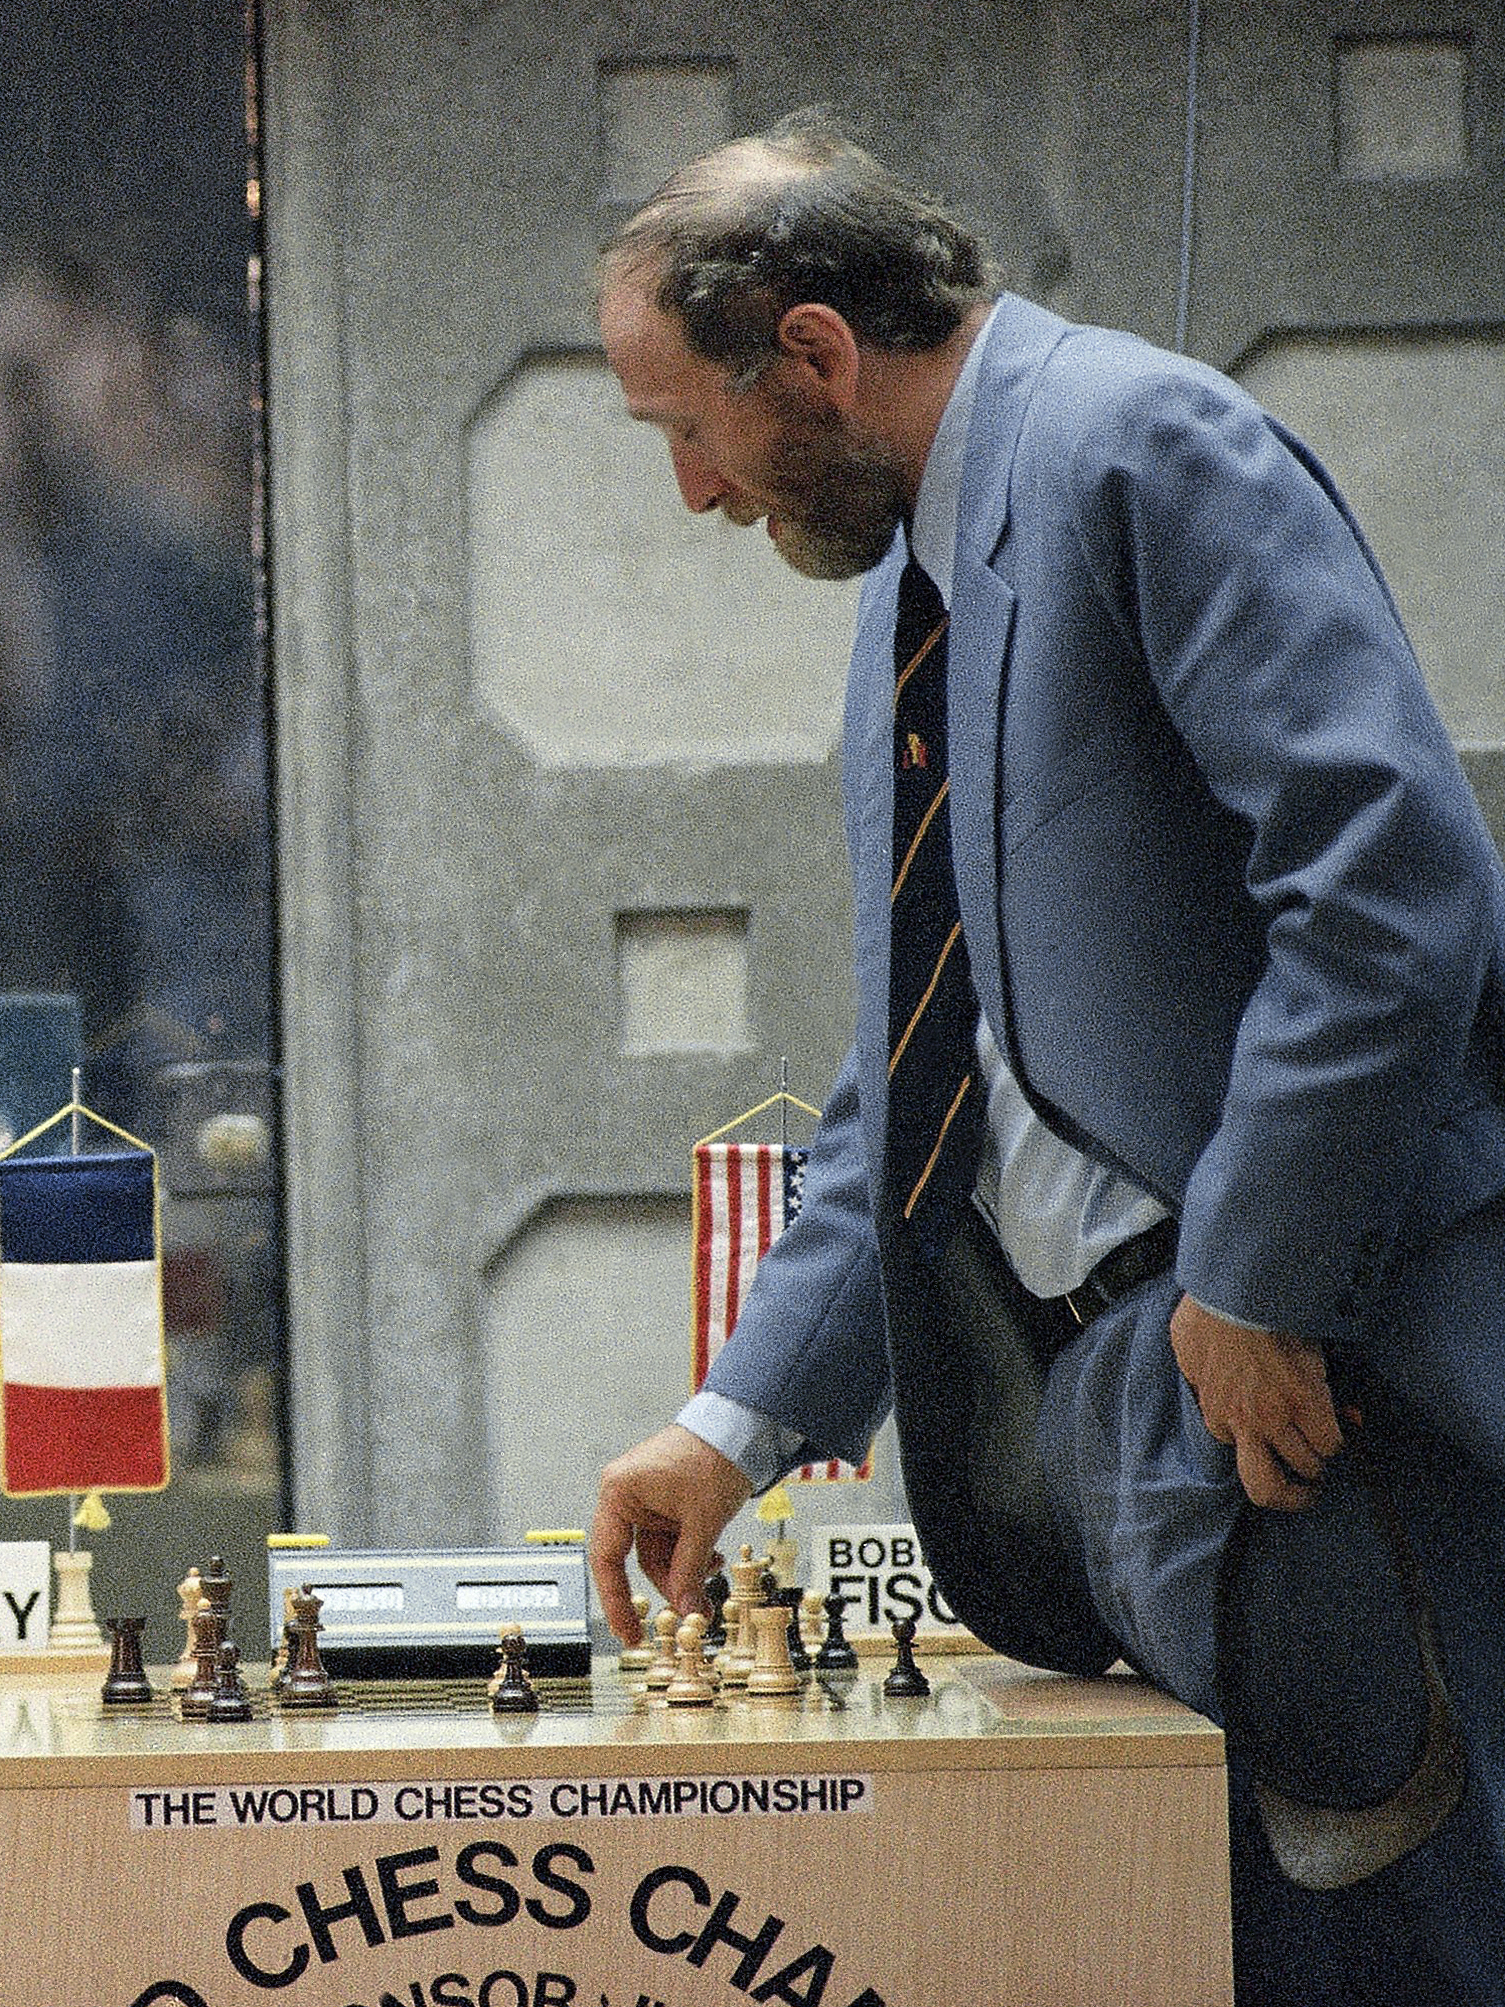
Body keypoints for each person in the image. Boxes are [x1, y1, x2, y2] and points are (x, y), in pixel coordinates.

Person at [581, 114, 1505, 2002]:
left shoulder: (1140, 448)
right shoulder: (909, 597)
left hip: (1335, 1402)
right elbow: (926, 1078)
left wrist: (1255, 1271)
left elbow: (1396, 893)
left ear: (818, 349)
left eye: (687, 424)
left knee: (1395, 1953)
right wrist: (733, 1422)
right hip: (1157, 1444)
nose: (690, 489)